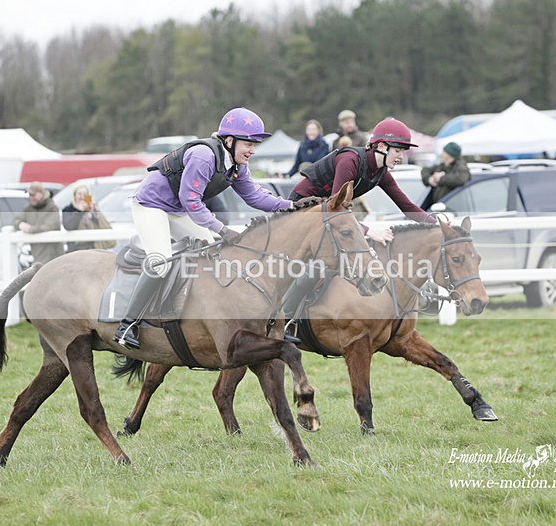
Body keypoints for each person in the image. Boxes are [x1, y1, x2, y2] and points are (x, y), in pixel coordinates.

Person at [115, 107, 295, 349]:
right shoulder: (204, 156)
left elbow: (254, 196)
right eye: (249, 143)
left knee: (214, 254)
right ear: (229, 140)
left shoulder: (237, 165)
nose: (253, 150)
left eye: (255, 144)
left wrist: (291, 205)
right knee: (161, 261)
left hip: (178, 210)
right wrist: (222, 229)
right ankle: (128, 324)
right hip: (152, 206)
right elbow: (191, 200)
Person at [290, 117, 436, 245]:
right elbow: (335, 210)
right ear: (381, 146)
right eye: (397, 151)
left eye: (403, 152)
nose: (401, 157)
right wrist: (368, 231)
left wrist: (436, 224)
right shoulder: (350, 161)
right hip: (302, 207)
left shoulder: (381, 173)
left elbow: (408, 207)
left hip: (324, 211)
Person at [13, 181, 64, 264]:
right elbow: (15, 220)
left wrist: (31, 229)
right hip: (37, 255)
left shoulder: (52, 208)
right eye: (29, 195)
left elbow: (49, 226)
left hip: (53, 255)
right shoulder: (29, 209)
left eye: (33, 195)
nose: (31, 197)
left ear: (41, 193)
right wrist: (20, 224)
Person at [62, 185, 115, 252]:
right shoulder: (68, 209)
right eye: (79, 194)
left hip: (94, 247)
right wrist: (80, 211)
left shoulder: (93, 210)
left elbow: (104, 225)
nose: (82, 196)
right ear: (74, 196)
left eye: (85, 194)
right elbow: (68, 226)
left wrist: (92, 210)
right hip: (76, 248)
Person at [421, 141, 471, 207]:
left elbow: (461, 178)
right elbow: (425, 170)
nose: (441, 154)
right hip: (439, 206)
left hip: (453, 208)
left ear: (449, 155)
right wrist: (430, 179)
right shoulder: (442, 166)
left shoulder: (460, 166)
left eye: (444, 152)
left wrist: (440, 178)